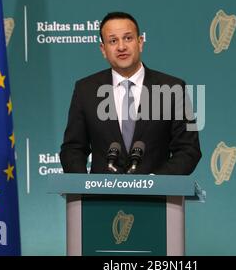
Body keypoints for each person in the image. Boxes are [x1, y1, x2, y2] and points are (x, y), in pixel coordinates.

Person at [60, 12, 201, 174]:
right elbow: (72, 148)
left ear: (140, 42)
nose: (121, 47)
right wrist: (84, 187)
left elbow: (189, 150)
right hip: (101, 197)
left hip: (156, 197)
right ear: (103, 49)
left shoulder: (173, 88)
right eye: (113, 41)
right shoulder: (85, 89)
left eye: (128, 38)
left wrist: (155, 184)